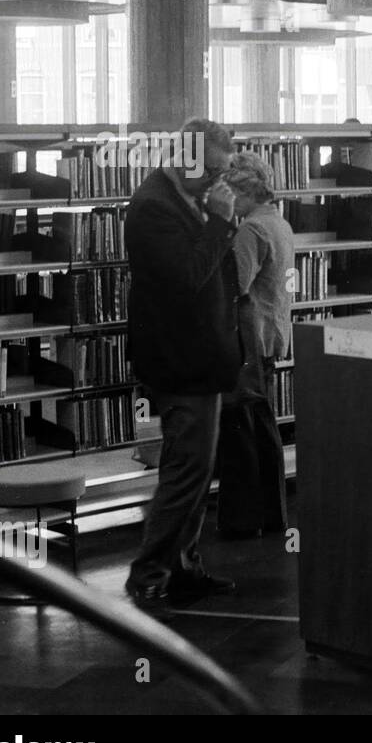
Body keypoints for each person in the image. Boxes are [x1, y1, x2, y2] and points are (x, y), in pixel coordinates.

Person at [124, 117, 240, 613]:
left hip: (204, 357)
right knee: (185, 471)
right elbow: (187, 278)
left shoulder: (189, 198)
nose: (219, 183)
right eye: (212, 172)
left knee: (196, 470)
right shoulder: (152, 207)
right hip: (179, 360)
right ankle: (149, 573)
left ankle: (183, 566)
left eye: (224, 174)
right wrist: (218, 223)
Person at [216, 153, 294, 539]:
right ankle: (272, 515)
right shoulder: (278, 222)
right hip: (271, 334)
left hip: (247, 339)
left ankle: (242, 521)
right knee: (262, 428)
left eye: (230, 192)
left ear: (244, 192)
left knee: (240, 433)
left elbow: (235, 288)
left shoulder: (250, 231)